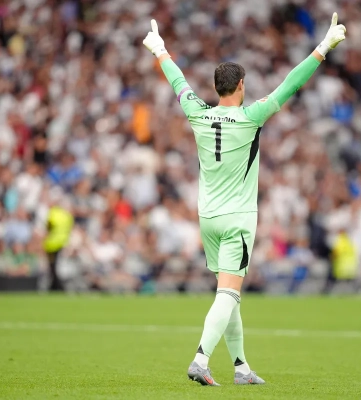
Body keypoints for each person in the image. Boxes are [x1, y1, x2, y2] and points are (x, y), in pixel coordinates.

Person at [142, 13, 347, 386]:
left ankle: (241, 368)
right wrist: (324, 46)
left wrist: (160, 50)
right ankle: (200, 360)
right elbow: (291, 84)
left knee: (228, 292)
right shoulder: (252, 116)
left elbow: (178, 82)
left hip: (208, 218)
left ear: (216, 87)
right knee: (228, 294)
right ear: (240, 85)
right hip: (237, 218)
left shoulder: (197, 113)